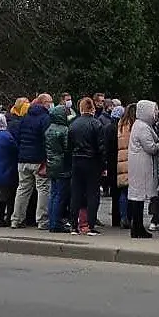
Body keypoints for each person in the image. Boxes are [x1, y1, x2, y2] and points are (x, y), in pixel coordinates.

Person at [10, 96, 51, 230]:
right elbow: (47, 139)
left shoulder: (25, 117)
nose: (51, 105)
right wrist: (46, 158)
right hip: (38, 159)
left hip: (23, 159)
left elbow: (17, 136)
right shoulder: (45, 118)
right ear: (43, 103)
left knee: (22, 189)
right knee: (43, 189)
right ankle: (42, 220)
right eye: (49, 102)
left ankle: (16, 219)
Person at [68, 97, 105, 235]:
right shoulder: (96, 124)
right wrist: (103, 165)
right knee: (92, 194)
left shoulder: (73, 124)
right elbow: (101, 147)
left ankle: (73, 225)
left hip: (76, 160)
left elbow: (69, 145)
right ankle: (90, 225)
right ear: (92, 108)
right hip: (92, 161)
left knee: (76, 194)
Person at [128, 101, 159, 239]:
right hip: (142, 167)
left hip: (139, 166)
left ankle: (137, 227)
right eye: (155, 110)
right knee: (138, 198)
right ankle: (138, 228)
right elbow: (151, 147)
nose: (157, 112)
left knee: (138, 197)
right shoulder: (142, 127)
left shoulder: (141, 125)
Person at [45, 105, 72, 233]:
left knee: (53, 194)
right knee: (60, 196)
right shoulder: (64, 130)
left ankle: (51, 221)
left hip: (51, 164)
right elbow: (68, 148)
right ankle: (56, 223)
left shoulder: (49, 129)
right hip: (63, 165)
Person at [116, 103, 135, 230]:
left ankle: (123, 217)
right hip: (132, 159)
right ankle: (131, 217)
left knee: (123, 191)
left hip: (121, 160)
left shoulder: (121, 124)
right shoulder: (134, 125)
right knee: (133, 192)